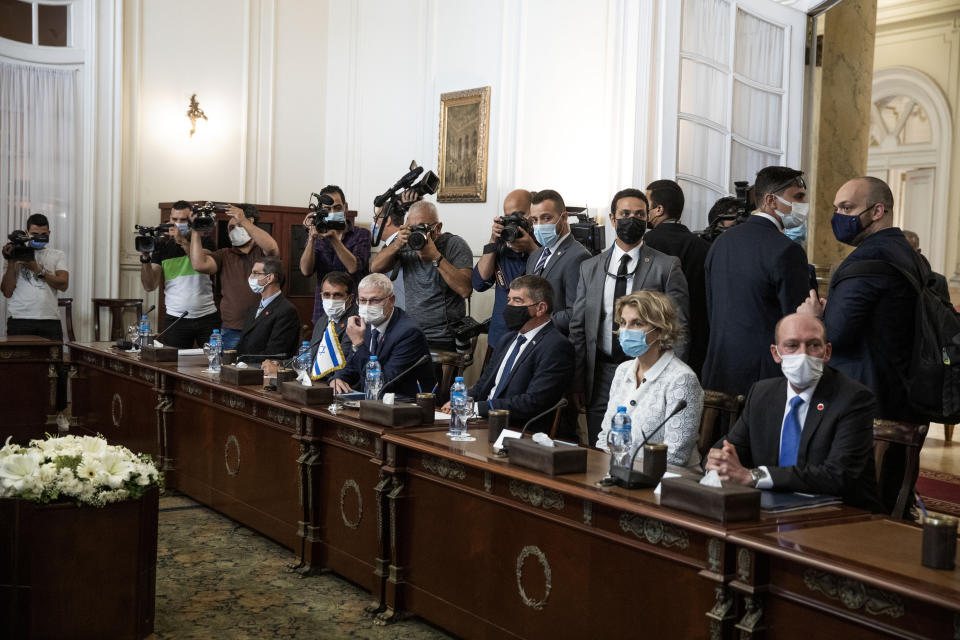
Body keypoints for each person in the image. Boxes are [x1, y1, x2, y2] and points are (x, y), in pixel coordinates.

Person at [797, 177, 930, 515]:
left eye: (848, 208)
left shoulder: (865, 262)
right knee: (888, 492)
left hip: (866, 395)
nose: (839, 216)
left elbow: (837, 336)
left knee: (860, 503)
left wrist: (814, 317)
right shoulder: (904, 250)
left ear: (878, 210)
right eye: (837, 208)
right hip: (900, 387)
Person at [705, 313, 884, 513]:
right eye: (792, 345)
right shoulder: (762, 393)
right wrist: (719, 462)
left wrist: (755, 476)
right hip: (771, 509)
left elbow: (838, 475)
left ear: (827, 352)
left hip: (839, 515)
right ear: (776, 353)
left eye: (814, 345)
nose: (803, 354)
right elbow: (729, 448)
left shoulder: (853, 398)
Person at [569, 188, 690, 445]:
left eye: (639, 214)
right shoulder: (590, 267)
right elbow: (579, 327)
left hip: (649, 371)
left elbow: (680, 327)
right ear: (612, 219)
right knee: (600, 446)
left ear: (647, 219)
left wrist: (671, 377)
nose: (631, 219)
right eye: (625, 214)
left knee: (642, 445)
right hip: (600, 373)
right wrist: (578, 379)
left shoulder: (666, 266)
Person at [702, 166, 810, 396]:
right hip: (765, 376)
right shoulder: (787, 251)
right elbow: (795, 322)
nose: (803, 205)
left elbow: (711, 307)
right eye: (798, 197)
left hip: (718, 368)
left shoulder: (721, 243)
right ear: (771, 200)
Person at [442, 275, 575, 436]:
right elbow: (482, 385)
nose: (509, 306)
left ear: (540, 308)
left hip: (517, 430)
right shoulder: (508, 339)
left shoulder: (555, 346)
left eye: (517, 301)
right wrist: (460, 401)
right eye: (509, 300)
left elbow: (532, 402)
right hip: (480, 422)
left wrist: (476, 408)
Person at [596, 291, 703, 468]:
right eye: (623, 323)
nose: (626, 330)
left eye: (637, 323)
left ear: (661, 330)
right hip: (618, 472)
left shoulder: (682, 379)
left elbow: (676, 456)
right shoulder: (623, 371)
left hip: (666, 482)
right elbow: (605, 436)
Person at [370, 201, 473, 351]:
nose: (417, 234)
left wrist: (436, 257)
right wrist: (398, 243)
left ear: (438, 228)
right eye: (412, 228)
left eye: (422, 228)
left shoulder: (453, 244)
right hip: (412, 332)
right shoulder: (405, 243)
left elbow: (465, 289)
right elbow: (376, 267)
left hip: (444, 337)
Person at [642, 179, 710, 377]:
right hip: (698, 342)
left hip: (654, 343)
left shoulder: (646, 244)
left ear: (659, 209)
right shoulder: (702, 246)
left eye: (646, 206)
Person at [188, 204, 279, 350]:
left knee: (259, 370)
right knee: (226, 370)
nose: (234, 231)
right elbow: (199, 265)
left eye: (238, 226)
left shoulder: (261, 251)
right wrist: (195, 230)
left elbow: (271, 247)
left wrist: (243, 220)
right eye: (230, 228)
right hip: (231, 330)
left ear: (250, 222)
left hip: (263, 327)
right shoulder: (224, 254)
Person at [330, 273, 435, 397]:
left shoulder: (409, 333)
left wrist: (359, 344)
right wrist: (337, 379)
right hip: (372, 402)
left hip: (404, 405)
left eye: (375, 300)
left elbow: (383, 383)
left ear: (391, 300)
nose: (367, 306)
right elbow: (351, 366)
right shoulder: (365, 325)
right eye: (363, 300)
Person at [140, 201, 220, 348]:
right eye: (174, 219)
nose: (177, 224)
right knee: (175, 366)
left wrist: (182, 241)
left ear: (191, 221)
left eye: (183, 220)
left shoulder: (205, 241)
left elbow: (201, 261)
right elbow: (149, 285)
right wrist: (145, 258)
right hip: (176, 318)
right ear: (169, 219)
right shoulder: (162, 247)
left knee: (213, 361)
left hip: (207, 316)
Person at [473, 189, 536, 361]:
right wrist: (493, 240)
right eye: (508, 217)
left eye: (519, 215)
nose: (513, 222)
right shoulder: (501, 246)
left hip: (533, 340)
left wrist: (532, 249)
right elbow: (479, 283)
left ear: (533, 212)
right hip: (500, 337)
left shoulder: (544, 247)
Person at [261, 271, 356, 379]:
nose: (331, 299)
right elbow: (308, 357)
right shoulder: (323, 320)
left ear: (350, 298)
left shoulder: (354, 323)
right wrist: (279, 364)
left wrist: (284, 372)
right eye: (326, 295)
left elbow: (334, 367)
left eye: (337, 295)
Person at [299, 185, 371, 323]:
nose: (332, 212)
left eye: (337, 208)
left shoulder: (361, 234)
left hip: (354, 307)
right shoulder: (317, 237)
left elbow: (353, 267)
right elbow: (306, 270)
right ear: (320, 211)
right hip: (324, 308)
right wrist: (311, 238)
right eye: (327, 209)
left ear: (346, 207)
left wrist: (333, 238)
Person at [524, 190, 591, 334]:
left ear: (564, 217)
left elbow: (576, 313)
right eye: (534, 220)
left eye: (546, 218)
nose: (539, 225)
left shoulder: (579, 257)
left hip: (558, 342)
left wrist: (535, 320)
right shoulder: (535, 255)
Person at [1, 213, 69, 339]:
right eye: (34, 234)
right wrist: (11, 261)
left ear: (49, 233)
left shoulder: (57, 254)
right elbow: (7, 292)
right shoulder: (15, 252)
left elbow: (64, 284)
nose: (39, 238)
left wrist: (37, 270)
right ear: (26, 233)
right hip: (20, 319)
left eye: (43, 235)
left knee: (53, 359)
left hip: (50, 319)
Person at [235, 256, 300, 360]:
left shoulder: (286, 311)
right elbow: (243, 344)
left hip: (262, 370)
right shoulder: (254, 307)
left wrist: (242, 361)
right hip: (244, 368)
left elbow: (275, 353)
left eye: (256, 273)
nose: (250, 277)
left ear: (269, 278)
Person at [903, 229, 951, 303]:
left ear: (918, 251)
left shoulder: (938, 281)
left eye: (909, 249)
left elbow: (946, 312)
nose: (904, 253)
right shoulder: (886, 277)